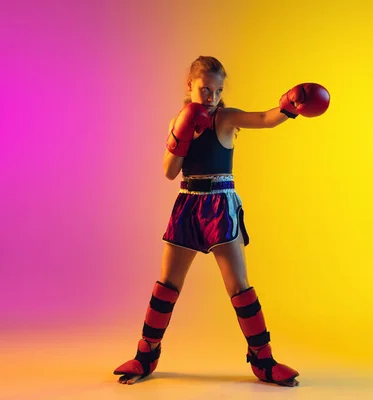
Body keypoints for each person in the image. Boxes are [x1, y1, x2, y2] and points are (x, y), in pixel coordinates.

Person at [113, 56, 330, 387]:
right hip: (188, 204)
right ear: (190, 86)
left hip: (220, 206)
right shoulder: (178, 120)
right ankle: (146, 355)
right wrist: (182, 132)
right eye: (205, 90)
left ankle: (264, 360)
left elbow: (263, 118)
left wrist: (288, 107)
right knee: (167, 285)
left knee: (238, 286)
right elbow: (170, 171)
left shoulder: (226, 119)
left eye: (217, 90)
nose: (212, 97)